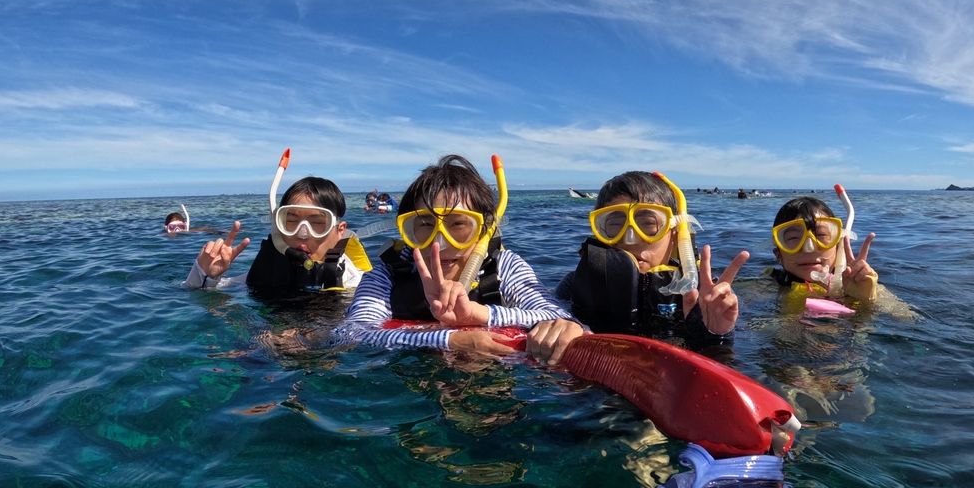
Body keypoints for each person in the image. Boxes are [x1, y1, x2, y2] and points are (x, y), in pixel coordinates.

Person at [333, 154, 581, 358]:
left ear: (483, 230)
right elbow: (351, 333)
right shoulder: (387, 275)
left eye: (459, 225)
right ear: (406, 231)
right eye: (425, 225)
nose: (440, 244)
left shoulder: (503, 267)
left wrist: (479, 315)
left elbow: (557, 316)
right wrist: (449, 340)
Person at [543, 171, 748, 353]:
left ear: (675, 234)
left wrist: (715, 336)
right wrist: (564, 325)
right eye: (615, 225)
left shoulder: (702, 295)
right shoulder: (577, 285)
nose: (630, 239)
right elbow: (548, 316)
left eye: (648, 224)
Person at [185, 167, 367, 296]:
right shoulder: (271, 269)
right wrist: (206, 273)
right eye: (291, 221)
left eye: (317, 222)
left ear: (340, 231)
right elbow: (198, 291)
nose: (302, 234)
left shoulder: (355, 282)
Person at [768, 196, 877, 303]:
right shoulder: (767, 284)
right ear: (778, 255)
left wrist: (864, 299)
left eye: (821, 235)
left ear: (838, 247)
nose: (809, 248)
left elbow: (887, 310)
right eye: (794, 238)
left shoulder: (863, 282)